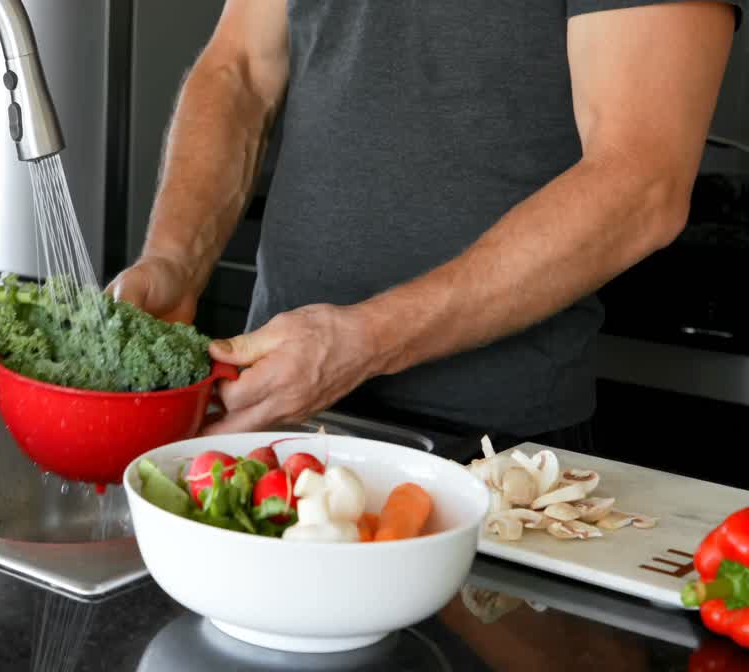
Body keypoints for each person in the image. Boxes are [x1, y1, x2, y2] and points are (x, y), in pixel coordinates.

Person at [109, 1, 742, 451]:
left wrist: (365, 339)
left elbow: (642, 180)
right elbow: (241, 70)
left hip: (494, 452)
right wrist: (174, 260)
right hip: (272, 411)